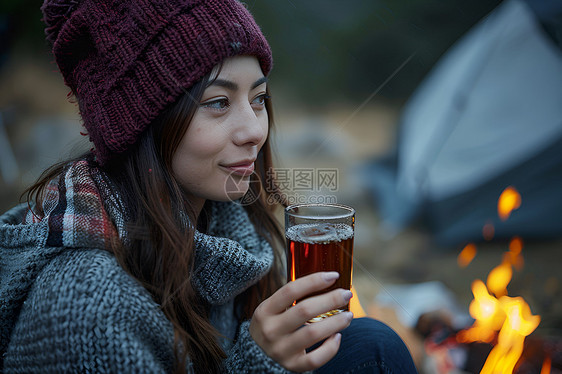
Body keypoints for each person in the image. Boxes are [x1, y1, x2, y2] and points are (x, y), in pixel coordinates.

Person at [0, 1, 418, 373]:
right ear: (145, 126)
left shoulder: (228, 232)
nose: (254, 130)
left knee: (369, 344)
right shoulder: (90, 306)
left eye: (258, 99)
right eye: (218, 102)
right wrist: (258, 363)